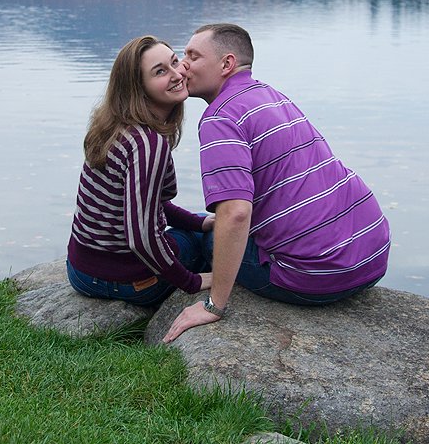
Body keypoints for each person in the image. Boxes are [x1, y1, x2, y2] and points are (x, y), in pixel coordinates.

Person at [163, 23, 390, 342]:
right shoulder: (270, 95)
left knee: (209, 237)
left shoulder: (221, 118)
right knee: (211, 226)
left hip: (318, 274)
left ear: (226, 64)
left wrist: (215, 305)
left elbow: (236, 214)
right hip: (372, 254)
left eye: (193, 56)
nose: (182, 63)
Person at [66, 35, 214, 306]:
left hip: (80, 270)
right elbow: (142, 237)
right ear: (138, 88)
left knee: (204, 222)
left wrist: (197, 222)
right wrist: (192, 282)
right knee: (214, 240)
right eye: (160, 71)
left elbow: (139, 205)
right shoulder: (147, 144)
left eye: (174, 62)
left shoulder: (112, 126)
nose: (176, 74)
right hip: (127, 281)